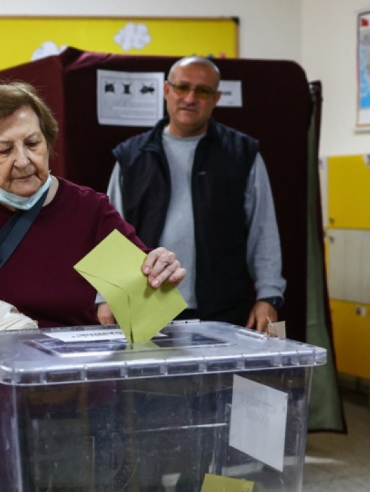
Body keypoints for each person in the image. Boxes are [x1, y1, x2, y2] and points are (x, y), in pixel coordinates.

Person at [0, 82, 186, 492]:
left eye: (33, 143)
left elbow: (143, 303)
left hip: (79, 402)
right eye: (4, 149)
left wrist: (157, 275)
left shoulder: (88, 210)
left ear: (49, 144)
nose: (23, 160)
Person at [107, 56, 286, 332]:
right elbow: (112, 233)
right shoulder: (131, 157)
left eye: (202, 91)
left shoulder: (242, 154)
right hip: (146, 303)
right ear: (166, 90)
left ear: (216, 98)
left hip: (223, 309)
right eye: (182, 87)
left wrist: (268, 295)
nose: (190, 98)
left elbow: (263, 231)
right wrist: (107, 294)